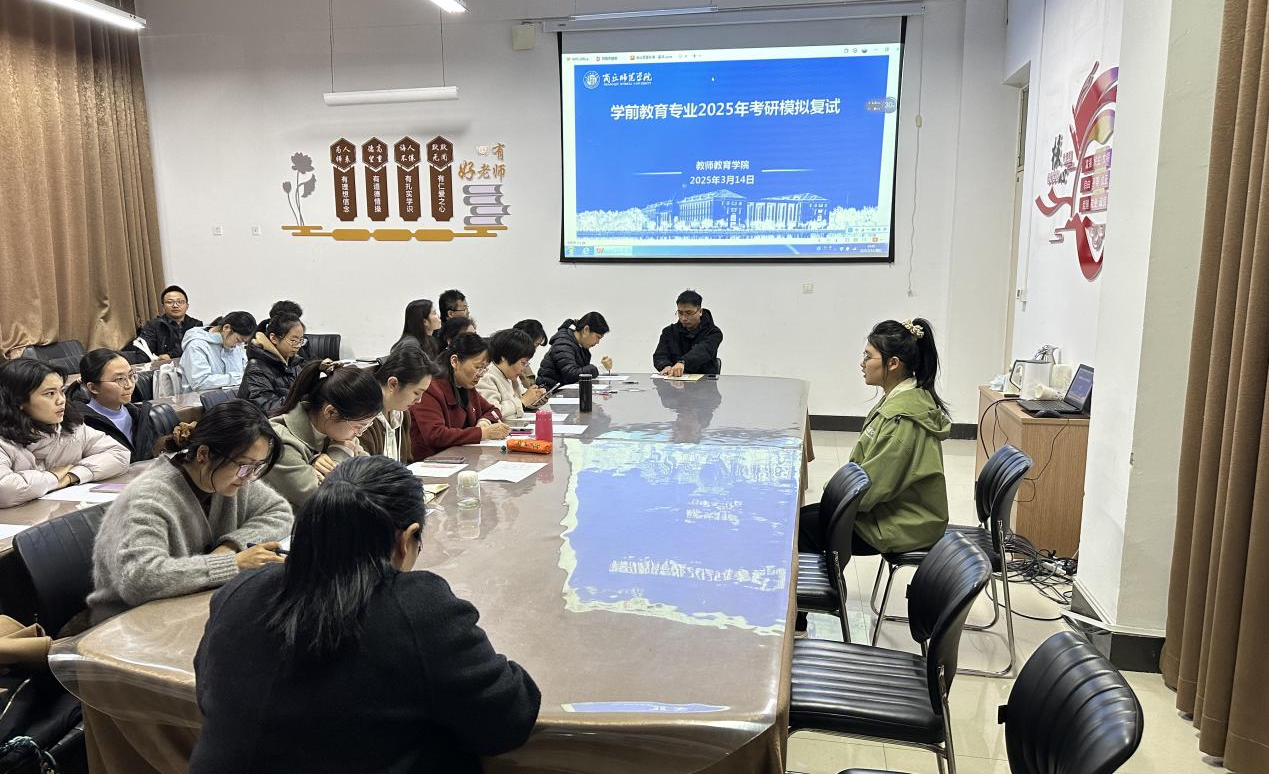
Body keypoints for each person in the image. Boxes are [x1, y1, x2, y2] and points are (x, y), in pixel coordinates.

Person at [189, 456, 540, 774]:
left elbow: (207, 691)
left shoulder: (240, 590)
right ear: (407, 539)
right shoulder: (418, 609)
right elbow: (508, 719)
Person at [86, 399, 293, 625]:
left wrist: (230, 546)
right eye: (245, 465)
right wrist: (232, 564)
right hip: (127, 622)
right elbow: (139, 579)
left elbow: (280, 512)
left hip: (188, 605)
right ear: (203, 454)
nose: (250, 476)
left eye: (257, 466)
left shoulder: (228, 477)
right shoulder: (151, 497)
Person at [799, 318, 951, 559]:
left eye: (868, 357)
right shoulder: (902, 398)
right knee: (801, 520)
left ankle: (830, 584)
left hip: (906, 524)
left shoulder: (901, 419)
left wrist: (836, 498)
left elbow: (873, 486)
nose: (862, 364)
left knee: (799, 533)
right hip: (891, 510)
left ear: (893, 363)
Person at [0, 360, 130, 508]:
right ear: (18, 400)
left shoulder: (71, 428)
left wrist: (71, 476)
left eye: (61, 391)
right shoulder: (3, 442)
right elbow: (4, 490)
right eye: (50, 394)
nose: (61, 400)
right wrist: (53, 476)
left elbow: (119, 454)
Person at [262, 361, 381, 508]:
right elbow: (325, 501)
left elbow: (372, 475)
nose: (360, 434)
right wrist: (339, 452)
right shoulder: (280, 441)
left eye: (367, 426)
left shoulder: (338, 430)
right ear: (330, 412)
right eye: (359, 426)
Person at [409, 333, 509, 460]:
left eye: (484, 369)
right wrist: (483, 433)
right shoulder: (430, 388)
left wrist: (484, 421)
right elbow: (435, 435)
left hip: (461, 457)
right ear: (455, 361)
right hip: (433, 461)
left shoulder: (466, 386)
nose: (481, 374)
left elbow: (493, 410)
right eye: (478, 367)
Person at [361, 346, 443, 463]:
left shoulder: (402, 414)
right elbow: (364, 470)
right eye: (416, 393)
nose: (419, 400)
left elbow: (406, 461)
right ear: (393, 383)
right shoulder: (362, 417)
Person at [76, 348, 157, 463]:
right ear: (93, 388)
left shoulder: (140, 415)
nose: (129, 385)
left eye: (131, 376)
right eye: (119, 379)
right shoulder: (82, 426)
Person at [237, 314, 306, 415]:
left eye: (301, 340)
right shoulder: (256, 368)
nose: (298, 345)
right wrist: (303, 398)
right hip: (253, 421)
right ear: (274, 338)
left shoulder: (293, 363)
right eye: (293, 340)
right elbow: (268, 407)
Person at [478, 329, 546, 421]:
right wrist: (523, 402)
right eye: (523, 363)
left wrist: (534, 397)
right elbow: (492, 413)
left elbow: (522, 397)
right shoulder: (486, 376)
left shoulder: (510, 375)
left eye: (526, 364)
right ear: (504, 357)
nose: (523, 369)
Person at [653, 289, 723, 376]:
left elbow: (703, 350)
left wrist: (683, 362)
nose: (684, 318)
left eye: (689, 313)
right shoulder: (669, 332)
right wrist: (665, 366)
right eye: (680, 313)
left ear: (700, 311)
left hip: (704, 382)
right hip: (674, 381)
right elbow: (660, 355)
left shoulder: (714, 333)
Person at [125, 285, 203, 362]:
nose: (175, 305)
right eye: (170, 302)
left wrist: (170, 355)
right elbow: (144, 352)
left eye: (180, 302)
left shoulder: (196, 325)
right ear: (163, 306)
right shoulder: (153, 325)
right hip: (161, 367)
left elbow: (194, 348)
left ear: (187, 306)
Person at [181, 311, 256, 391]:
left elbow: (247, 372)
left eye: (243, 342)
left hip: (232, 396)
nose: (237, 346)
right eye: (238, 340)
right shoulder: (196, 346)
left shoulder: (236, 346)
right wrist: (238, 378)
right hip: (200, 397)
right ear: (226, 328)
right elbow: (200, 383)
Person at [536, 312, 612, 388]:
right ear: (586, 330)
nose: (598, 342)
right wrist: (600, 368)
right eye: (598, 337)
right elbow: (570, 375)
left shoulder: (580, 346)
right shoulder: (563, 343)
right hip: (548, 392)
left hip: (561, 390)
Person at [512, 319, 548, 389]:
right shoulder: (508, 365)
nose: (534, 350)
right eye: (536, 345)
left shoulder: (524, 363)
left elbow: (531, 388)